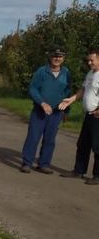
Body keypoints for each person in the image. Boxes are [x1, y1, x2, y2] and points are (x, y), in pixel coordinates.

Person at [20, 48, 71, 174]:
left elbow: (67, 92)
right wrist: (42, 103)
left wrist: (66, 111)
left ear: (63, 58)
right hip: (40, 111)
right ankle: (27, 163)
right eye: (55, 56)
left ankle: (44, 164)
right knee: (33, 137)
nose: (57, 58)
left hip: (56, 112)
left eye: (60, 56)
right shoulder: (42, 71)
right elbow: (33, 89)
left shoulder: (66, 72)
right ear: (50, 57)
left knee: (50, 139)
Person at [58, 49, 99, 185]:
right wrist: (72, 99)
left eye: (92, 60)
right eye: (88, 60)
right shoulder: (90, 73)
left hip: (97, 116)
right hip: (88, 115)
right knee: (83, 143)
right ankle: (78, 171)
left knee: (97, 146)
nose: (89, 62)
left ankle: (97, 176)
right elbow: (83, 90)